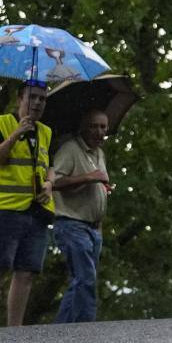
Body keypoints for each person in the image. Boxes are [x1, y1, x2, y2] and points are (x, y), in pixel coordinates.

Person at [0, 80, 55, 327]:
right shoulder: (3, 123)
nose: (38, 103)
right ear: (19, 100)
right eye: (33, 97)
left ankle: (15, 330)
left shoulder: (46, 131)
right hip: (7, 208)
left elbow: (49, 165)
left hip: (37, 211)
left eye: (43, 99)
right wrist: (16, 134)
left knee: (27, 271)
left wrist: (50, 183)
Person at [51, 109, 113, 323]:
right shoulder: (70, 149)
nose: (99, 131)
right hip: (72, 223)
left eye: (103, 126)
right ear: (83, 127)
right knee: (85, 278)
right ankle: (86, 330)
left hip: (94, 228)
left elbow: (94, 182)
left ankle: (60, 333)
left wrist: (102, 188)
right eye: (94, 126)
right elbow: (55, 182)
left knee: (82, 281)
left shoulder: (99, 153)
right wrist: (90, 177)